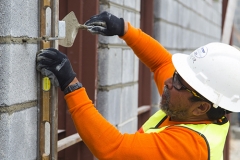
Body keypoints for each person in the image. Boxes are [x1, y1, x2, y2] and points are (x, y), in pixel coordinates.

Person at [36, 11, 240, 160]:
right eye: (178, 74)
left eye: (178, 81)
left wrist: (70, 84)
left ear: (201, 107)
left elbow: (112, 149)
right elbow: (161, 63)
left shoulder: (190, 146)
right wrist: (123, 28)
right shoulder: (192, 105)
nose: (169, 81)